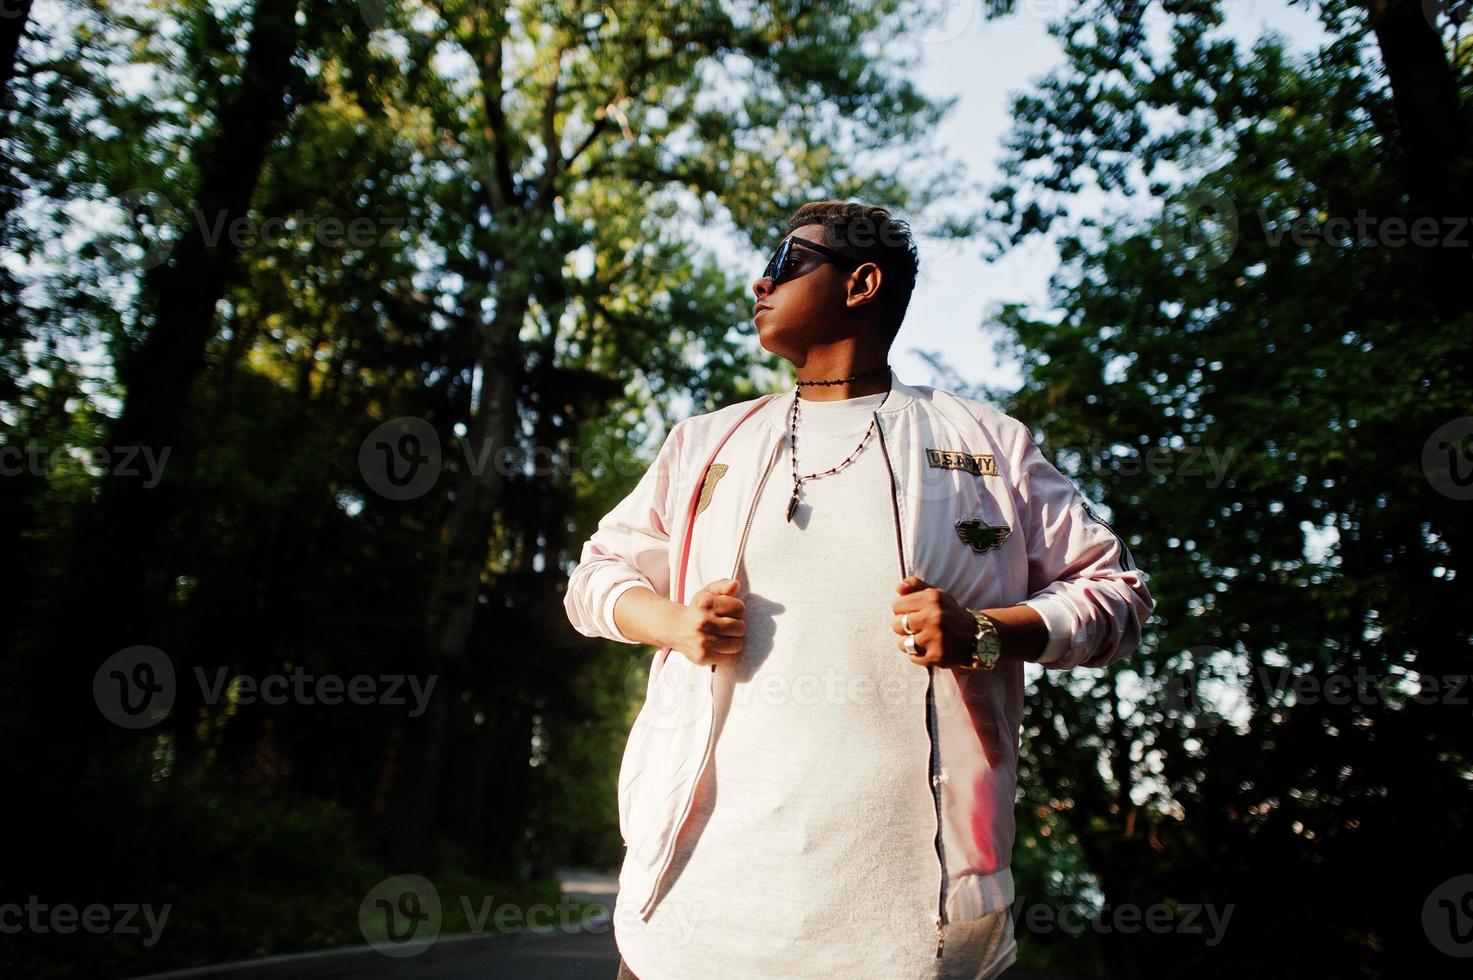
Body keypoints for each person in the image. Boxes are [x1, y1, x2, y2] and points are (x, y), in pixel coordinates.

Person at [564, 201, 1155, 980]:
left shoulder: (986, 446)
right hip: (686, 924)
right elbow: (595, 577)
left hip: (913, 936)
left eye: (785, 261)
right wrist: (673, 623)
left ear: (861, 282)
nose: (759, 280)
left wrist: (986, 631)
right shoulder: (708, 442)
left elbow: (1117, 595)